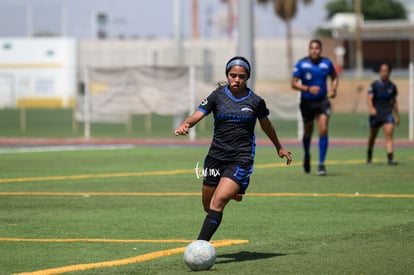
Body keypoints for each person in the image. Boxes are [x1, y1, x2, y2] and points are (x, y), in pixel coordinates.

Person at [174, 56, 292, 241]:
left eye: (241, 76)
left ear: (247, 78)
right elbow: (197, 115)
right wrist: (186, 124)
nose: (237, 80)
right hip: (215, 157)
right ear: (227, 75)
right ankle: (232, 191)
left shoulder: (255, 101)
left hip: (240, 158)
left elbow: (266, 125)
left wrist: (279, 147)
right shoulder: (217, 96)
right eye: (233, 75)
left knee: (217, 203)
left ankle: (200, 245)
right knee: (208, 206)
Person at [291, 39, 339, 176]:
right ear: (308, 49)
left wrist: (334, 89)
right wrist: (308, 88)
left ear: (321, 49)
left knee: (323, 129)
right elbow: (293, 83)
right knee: (308, 132)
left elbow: (335, 77)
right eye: (312, 48)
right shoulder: (302, 64)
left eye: (317, 48)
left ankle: (321, 164)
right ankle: (306, 154)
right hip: (307, 102)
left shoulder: (327, 63)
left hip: (322, 101)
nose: (314, 50)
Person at [367, 63, 400, 165]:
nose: (384, 73)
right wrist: (372, 108)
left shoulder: (392, 86)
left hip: (387, 113)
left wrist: (397, 115)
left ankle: (390, 158)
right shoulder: (374, 85)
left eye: (386, 70)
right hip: (376, 114)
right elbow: (369, 99)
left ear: (389, 72)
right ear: (380, 72)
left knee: (389, 134)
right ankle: (369, 157)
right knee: (373, 136)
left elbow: (394, 101)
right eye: (382, 70)